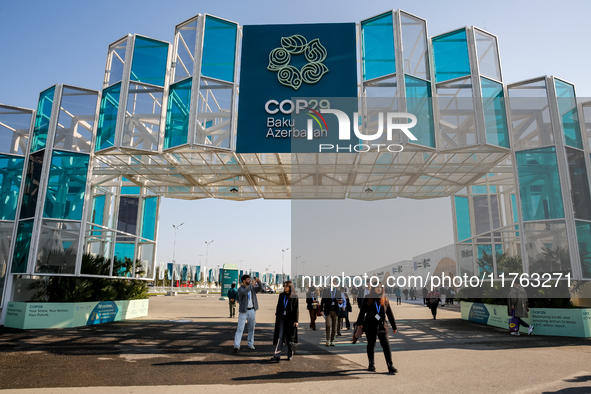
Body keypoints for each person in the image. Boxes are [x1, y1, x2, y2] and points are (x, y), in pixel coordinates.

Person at [356, 284, 398, 374]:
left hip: (382, 326)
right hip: (370, 325)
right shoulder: (368, 298)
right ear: (373, 288)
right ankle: (371, 364)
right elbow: (362, 312)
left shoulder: (385, 298)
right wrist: (359, 324)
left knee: (386, 346)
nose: (379, 289)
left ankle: (390, 365)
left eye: (380, 287)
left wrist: (394, 326)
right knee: (371, 344)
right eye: (377, 287)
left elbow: (389, 313)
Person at [271, 281, 299, 362]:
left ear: (290, 287)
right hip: (281, 318)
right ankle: (277, 355)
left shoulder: (294, 296)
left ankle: (290, 354)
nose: (285, 287)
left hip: (290, 319)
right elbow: (278, 306)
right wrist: (277, 315)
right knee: (280, 337)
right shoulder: (281, 295)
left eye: (286, 286)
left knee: (290, 338)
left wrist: (296, 321)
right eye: (284, 286)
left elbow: (296, 309)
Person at [233, 275, 262, 352]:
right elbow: (244, 292)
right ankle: (236, 345)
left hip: (252, 310)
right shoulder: (240, 289)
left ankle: (250, 344)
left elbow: (260, 288)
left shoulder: (252, 289)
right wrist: (252, 285)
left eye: (250, 279)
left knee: (251, 328)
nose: (250, 280)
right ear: (244, 281)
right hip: (243, 311)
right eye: (248, 279)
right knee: (240, 328)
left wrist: (259, 282)